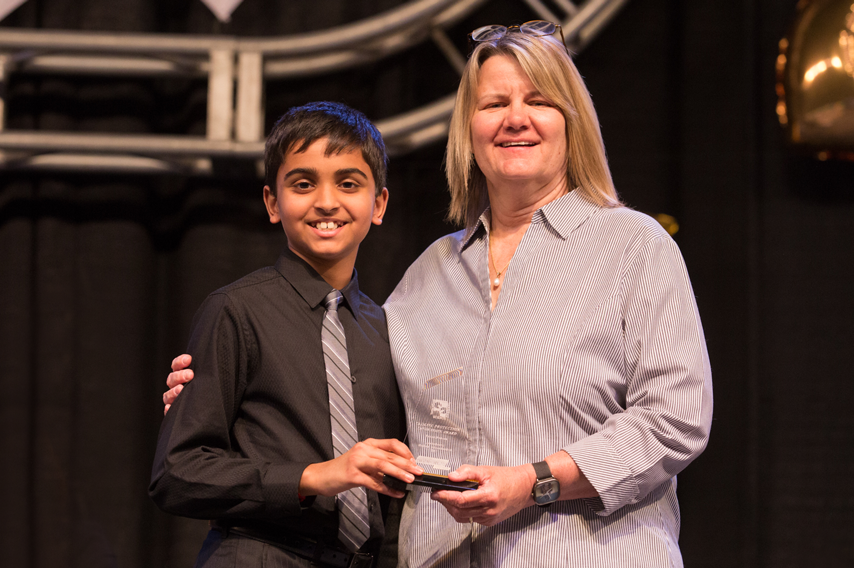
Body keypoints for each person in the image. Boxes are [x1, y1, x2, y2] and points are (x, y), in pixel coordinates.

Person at [165, 22, 713, 568]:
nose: (515, 118)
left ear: (572, 122)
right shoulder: (430, 273)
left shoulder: (632, 245)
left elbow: (675, 419)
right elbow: (362, 398)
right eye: (494, 103)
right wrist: (215, 391)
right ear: (468, 129)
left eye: (539, 101)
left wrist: (534, 482)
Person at [150, 101, 424, 568]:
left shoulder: (387, 328)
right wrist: (315, 477)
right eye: (303, 184)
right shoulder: (236, 310)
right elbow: (178, 473)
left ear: (378, 205)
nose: (326, 201)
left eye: (348, 183)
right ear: (273, 203)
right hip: (260, 553)